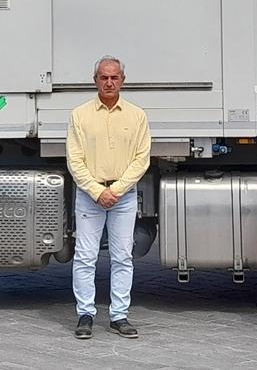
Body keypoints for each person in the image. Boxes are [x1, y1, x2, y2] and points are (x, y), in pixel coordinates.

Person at [66, 56, 151, 340]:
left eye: (114, 77)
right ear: (95, 81)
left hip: (122, 197)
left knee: (123, 257)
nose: (109, 82)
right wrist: (96, 190)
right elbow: (74, 161)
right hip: (90, 195)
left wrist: (116, 190)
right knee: (85, 257)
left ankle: (119, 316)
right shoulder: (80, 115)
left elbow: (142, 159)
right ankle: (85, 314)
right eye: (104, 77)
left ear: (123, 81)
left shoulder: (137, 116)